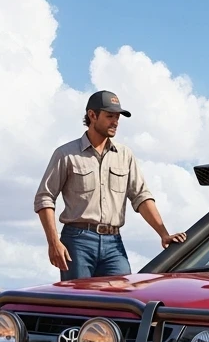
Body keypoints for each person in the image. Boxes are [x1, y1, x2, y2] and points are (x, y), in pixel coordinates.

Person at [34, 90, 186, 280]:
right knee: (80, 297)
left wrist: (164, 234)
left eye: (117, 117)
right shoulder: (66, 154)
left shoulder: (125, 155)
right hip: (77, 241)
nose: (115, 122)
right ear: (92, 115)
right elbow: (45, 198)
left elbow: (141, 196)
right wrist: (53, 242)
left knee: (124, 294)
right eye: (110, 116)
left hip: (114, 243)